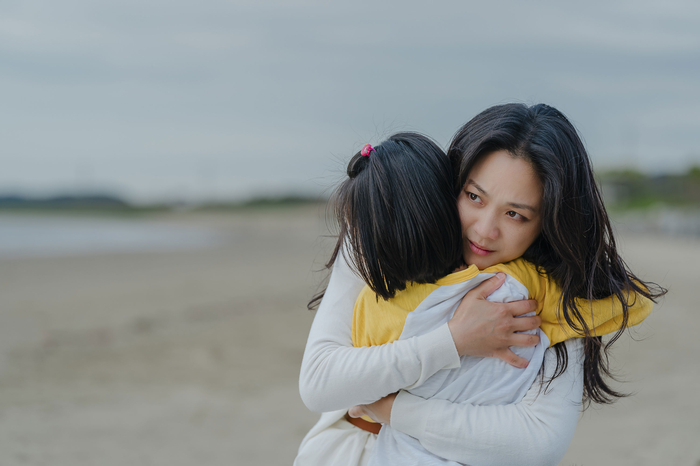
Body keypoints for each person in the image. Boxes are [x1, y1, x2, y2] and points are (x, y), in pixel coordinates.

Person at [296, 104, 665, 466]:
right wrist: (454, 340)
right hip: (347, 451)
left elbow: (537, 444)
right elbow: (319, 383)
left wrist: (392, 409)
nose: (484, 230)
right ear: (452, 183)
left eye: (515, 214)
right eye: (474, 197)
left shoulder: (550, 290)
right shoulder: (385, 236)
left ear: (547, 223)